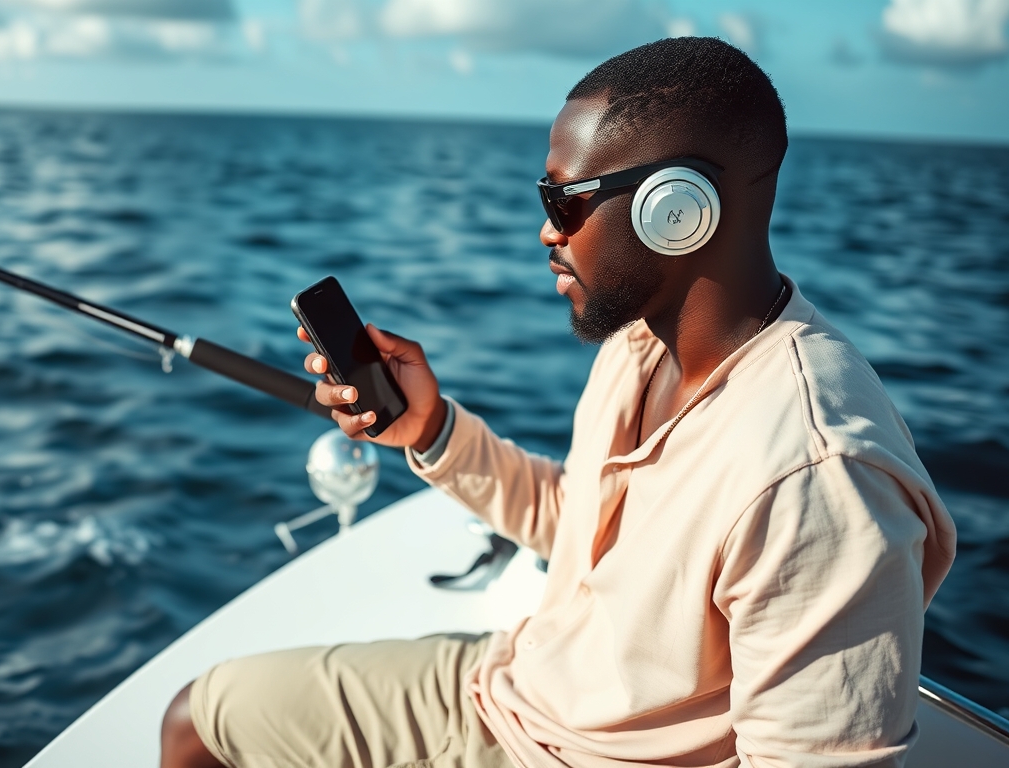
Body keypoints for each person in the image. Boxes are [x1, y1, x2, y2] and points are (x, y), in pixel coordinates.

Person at [159, 36, 956, 768]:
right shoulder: (640, 341)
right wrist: (429, 429)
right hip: (510, 686)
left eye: (563, 201)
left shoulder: (819, 475)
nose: (546, 231)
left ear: (678, 210)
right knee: (197, 720)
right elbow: (581, 526)